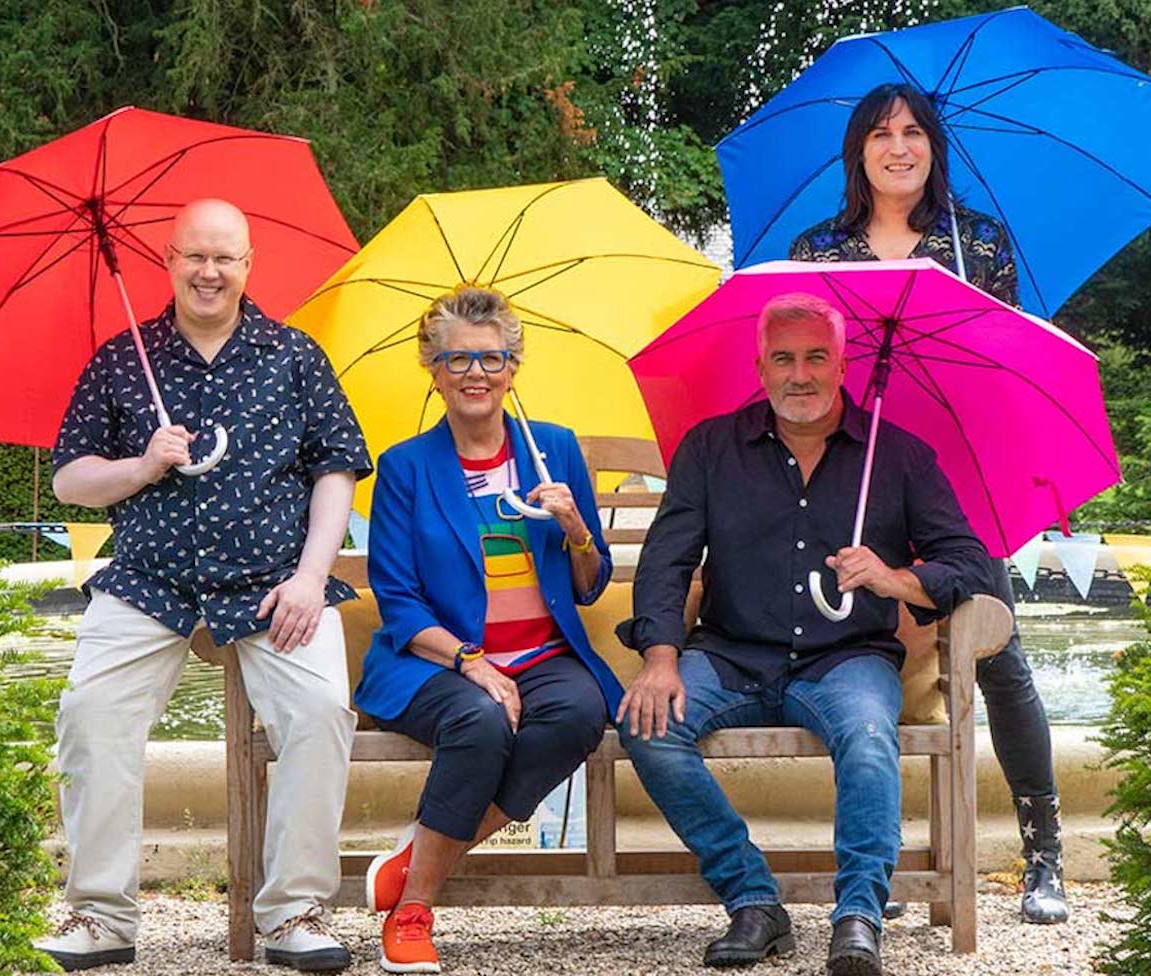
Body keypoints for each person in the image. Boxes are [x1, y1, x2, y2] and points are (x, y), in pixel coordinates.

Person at [36, 199, 371, 972]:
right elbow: (71, 481)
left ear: (249, 265)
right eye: (195, 256)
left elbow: (337, 470)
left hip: (272, 584)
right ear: (169, 260)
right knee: (90, 714)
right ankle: (102, 917)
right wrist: (142, 466)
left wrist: (310, 579)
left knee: (321, 711)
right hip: (148, 583)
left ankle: (294, 914)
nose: (210, 272)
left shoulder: (294, 356)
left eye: (226, 258)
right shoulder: (123, 359)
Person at [615, 293, 993, 976]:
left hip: (846, 661)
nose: (800, 374)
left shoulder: (897, 455)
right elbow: (666, 560)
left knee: (871, 739)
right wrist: (661, 655)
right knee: (648, 726)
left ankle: (858, 916)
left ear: (842, 363)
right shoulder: (710, 449)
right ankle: (754, 900)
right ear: (760, 367)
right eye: (783, 358)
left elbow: (969, 563)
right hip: (730, 652)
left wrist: (895, 578)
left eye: (816, 356)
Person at [789, 82, 1070, 926]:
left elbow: (1004, 363)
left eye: (914, 132)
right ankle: (887, 861)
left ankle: (1043, 852)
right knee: (872, 662)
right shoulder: (820, 249)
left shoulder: (975, 242)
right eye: (881, 134)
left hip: (958, 472)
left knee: (995, 653)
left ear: (933, 147)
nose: (899, 147)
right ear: (859, 151)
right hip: (857, 475)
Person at [354, 286, 622, 975]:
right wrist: (472, 662)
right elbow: (398, 598)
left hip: (542, 653)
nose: (475, 373)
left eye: (491, 359)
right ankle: (413, 910)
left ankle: (420, 855)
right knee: (480, 720)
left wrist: (575, 527)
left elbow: (590, 581)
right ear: (434, 371)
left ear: (512, 368)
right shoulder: (407, 467)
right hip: (436, 662)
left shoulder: (554, 451)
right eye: (457, 360)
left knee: (581, 711)